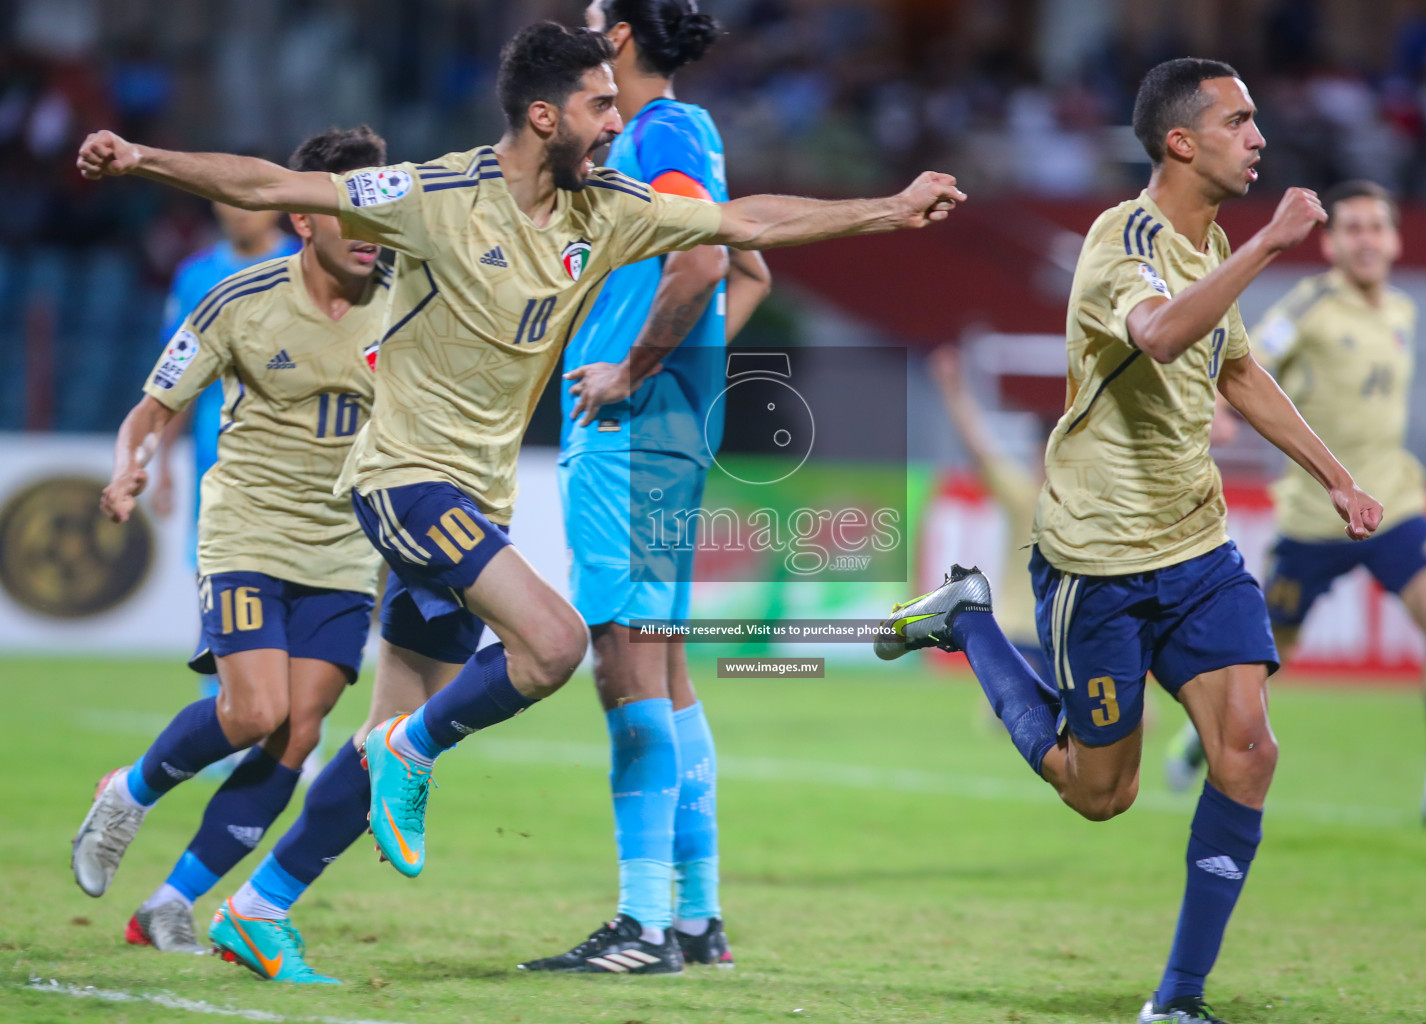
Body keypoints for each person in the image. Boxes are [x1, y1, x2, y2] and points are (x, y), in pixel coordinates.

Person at [77, 20, 961, 980]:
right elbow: (271, 187)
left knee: (381, 731)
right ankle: (401, 755)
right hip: (402, 480)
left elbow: (746, 224)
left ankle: (259, 905)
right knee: (553, 643)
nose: (619, 123)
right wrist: (139, 158)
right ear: (546, 118)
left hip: (478, 498)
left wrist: (891, 207)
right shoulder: (434, 195)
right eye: (601, 107)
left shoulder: (609, 210)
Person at [874, 59, 1382, 1024]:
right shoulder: (1124, 238)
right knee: (1099, 793)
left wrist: (1336, 475)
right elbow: (1155, 333)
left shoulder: (1213, 243)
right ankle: (970, 620)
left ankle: (1179, 1000)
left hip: (1195, 545)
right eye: (1240, 122)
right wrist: (1274, 245)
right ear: (1182, 142)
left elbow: (1236, 372)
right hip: (1098, 558)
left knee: (1249, 752)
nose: (1259, 138)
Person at [71, 128, 391, 971]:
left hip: (346, 549)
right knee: (254, 712)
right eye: (348, 210)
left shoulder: (411, 303)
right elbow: (153, 404)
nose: (370, 228)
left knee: (298, 732)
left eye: (379, 211)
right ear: (301, 218)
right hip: (248, 530)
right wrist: (129, 469)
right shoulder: (236, 298)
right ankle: (130, 789)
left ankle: (171, 902)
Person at [518, 0, 771, 976]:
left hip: (628, 435)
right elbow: (746, 267)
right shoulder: (693, 129)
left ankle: (642, 924)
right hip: (672, 431)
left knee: (623, 663)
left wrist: (632, 367)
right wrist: (686, 372)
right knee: (662, 668)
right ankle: (696, 917)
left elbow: (707, 262)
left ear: (619, 35)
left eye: (591, 16)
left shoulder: (653, 134)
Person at [1164, 180, 1426, 853]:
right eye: (1351, 228)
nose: (1365, 240)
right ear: (1331, 241)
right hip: (1315, 517)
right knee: (1267, 661)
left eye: (1376, 227)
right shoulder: (1309, 307)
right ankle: (1197, 741)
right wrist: (1222, 413)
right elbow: (1240, 363)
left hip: (1396, 507)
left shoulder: (1403, 311)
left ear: (1395, 239)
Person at [157, 181, 300, 780]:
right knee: (217, 575)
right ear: (215, 204)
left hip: (297, 456)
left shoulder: (303, 261)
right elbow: (176, 375)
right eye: (229, 199)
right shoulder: (196, 276)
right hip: (214, 460)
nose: (240, 210)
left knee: (297, 579)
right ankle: (224, 715)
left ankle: (292, 729)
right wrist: (159, 460)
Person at [927, 345, 1045, 676]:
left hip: (1063, 632)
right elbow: (978, 447)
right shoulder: (1025, 496)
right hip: (1022, 631)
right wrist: (953, 389)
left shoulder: (1083, 503)